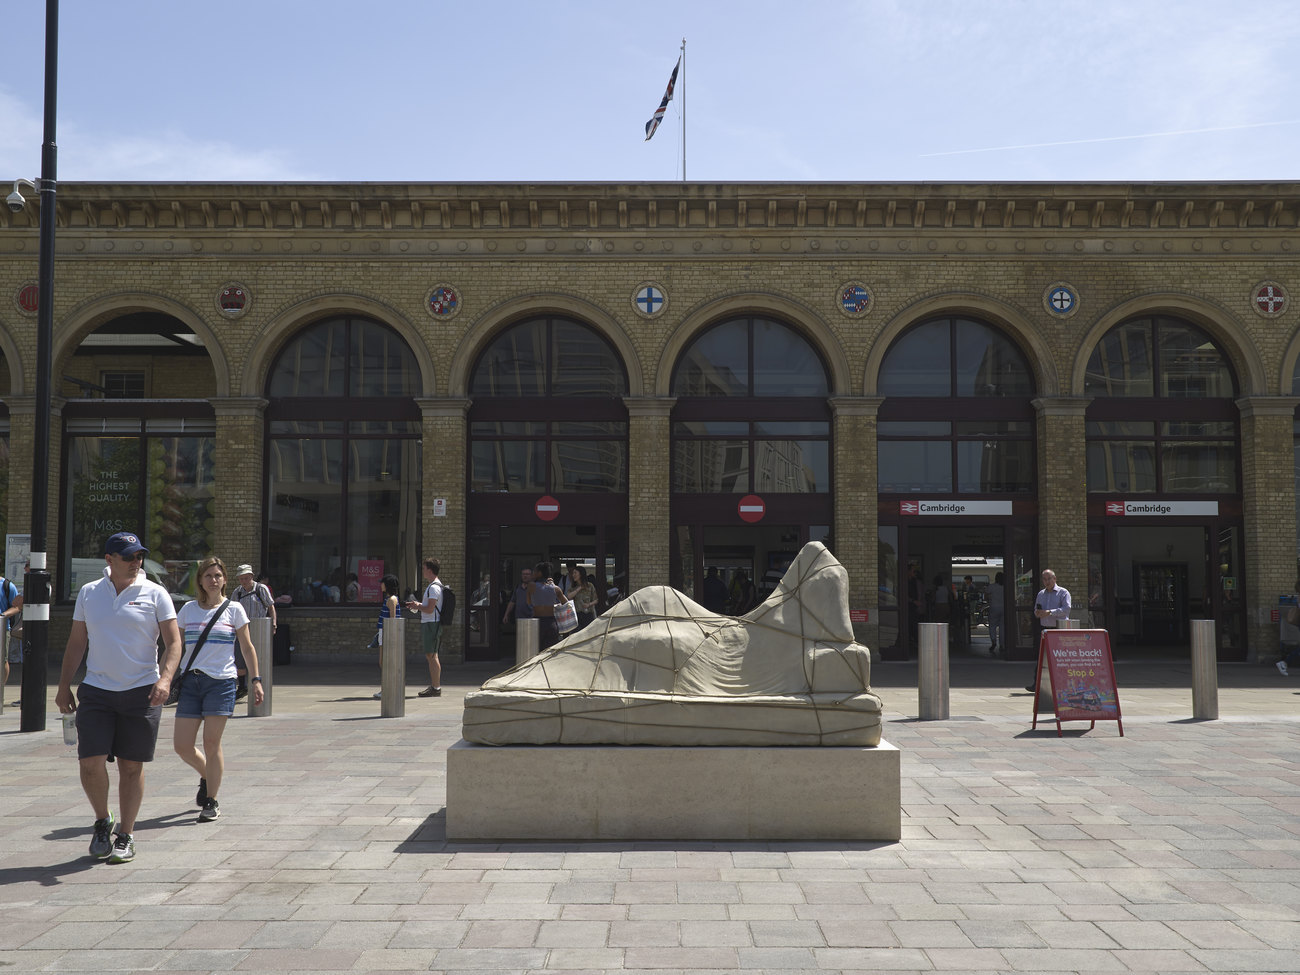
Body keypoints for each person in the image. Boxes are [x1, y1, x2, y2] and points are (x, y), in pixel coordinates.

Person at [55, 531, 183, 864]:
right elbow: (76, 644)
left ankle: (125, 835)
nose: (136, 562)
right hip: (97, 690)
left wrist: (166, 679)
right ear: (109, 560)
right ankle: (102, 821)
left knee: (130, 767)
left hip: (142, 692)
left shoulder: (156, 594)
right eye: (129, 557)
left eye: (139, 556)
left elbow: (173, 643)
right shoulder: (89, 593)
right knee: (90, 764)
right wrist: (63, 685)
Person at [172, 557, 264, 823]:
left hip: (221, 683)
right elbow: (175, 647)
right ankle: (206, 774)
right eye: (209, 575)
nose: (214, 580)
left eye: (218, 575)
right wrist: (163, 677)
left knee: (211, 743)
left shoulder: (234, 609)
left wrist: (255, 679)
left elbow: (247, 647)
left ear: (225, 579)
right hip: (190, 682)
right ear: (200, 580)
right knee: (182, 746)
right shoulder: (188, 610)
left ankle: (211, 800)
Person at [231, 564, 276, 700]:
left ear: (251, 577)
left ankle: (258, 686)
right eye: (241, 579)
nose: (244, 581)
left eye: (246, 578)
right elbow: (231, 611)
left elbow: (271, 607)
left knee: (259, 659)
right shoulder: (237, 592)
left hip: (259, 629)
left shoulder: (261, 589)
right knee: (239, 660)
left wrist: (274, 624)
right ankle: (243, 687)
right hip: (242, 630)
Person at [1026, 569, 1071, 691]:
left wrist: (1050, 612)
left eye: (1049, 579)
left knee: (1059, 659)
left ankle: (1063, 684)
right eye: (1044, 579)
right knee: (1041, 658)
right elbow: (1036, 610)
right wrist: (1038, 613)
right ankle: (1037, 684)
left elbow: (1066, 609)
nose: (1047, 582)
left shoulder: (1063, 593)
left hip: (1058, 629)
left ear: (1054, 579)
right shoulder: (1041, 594)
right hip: (1044, 629)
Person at [405, 558, 444, 697]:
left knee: (432, 655)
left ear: (430, 570)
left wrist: (417, 606)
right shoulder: (434, 586)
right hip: (431, 623)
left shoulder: (433, 587)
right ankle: (435, 686)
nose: (422, 571)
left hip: (431, 624)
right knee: (432, 655)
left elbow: (429, 609)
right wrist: (418, 605)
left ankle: (436, 687)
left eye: (424, 568)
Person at [527, 561, 569, 651]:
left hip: (537, 622)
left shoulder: (531, 586)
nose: (533, 573)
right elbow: (566, 603)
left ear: (539, 573)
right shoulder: (556, 589)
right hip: (551, 623)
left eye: (535, 571)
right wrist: (553, 585)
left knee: (535, 652)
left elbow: (528, 602)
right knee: (549, 653)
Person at [372, 574, 402, 699]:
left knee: (384, 662)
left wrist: (390, 636)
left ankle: (387, 689)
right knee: (384, 662)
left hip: (387, 632)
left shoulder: (391, 600)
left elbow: (393, 619)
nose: (381, 585)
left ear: (387, 585)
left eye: (383, 583)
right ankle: (387, 688)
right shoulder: (391, 599)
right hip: (384, 631)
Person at [1, 571, 23, 698]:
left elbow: (18, 606)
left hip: (2, 628)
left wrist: (3, 615)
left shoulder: (7, 585)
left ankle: (0, 690)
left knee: (2, 660)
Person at [985, 571, 1006, 657]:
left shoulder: (992, 586)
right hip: (1004, 607)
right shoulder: (1005, 587)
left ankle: (993, 641)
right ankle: (1002, 644)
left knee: (992, 625)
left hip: (994, 607)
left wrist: (989, 600)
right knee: (1002, 627)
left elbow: (986, 594)